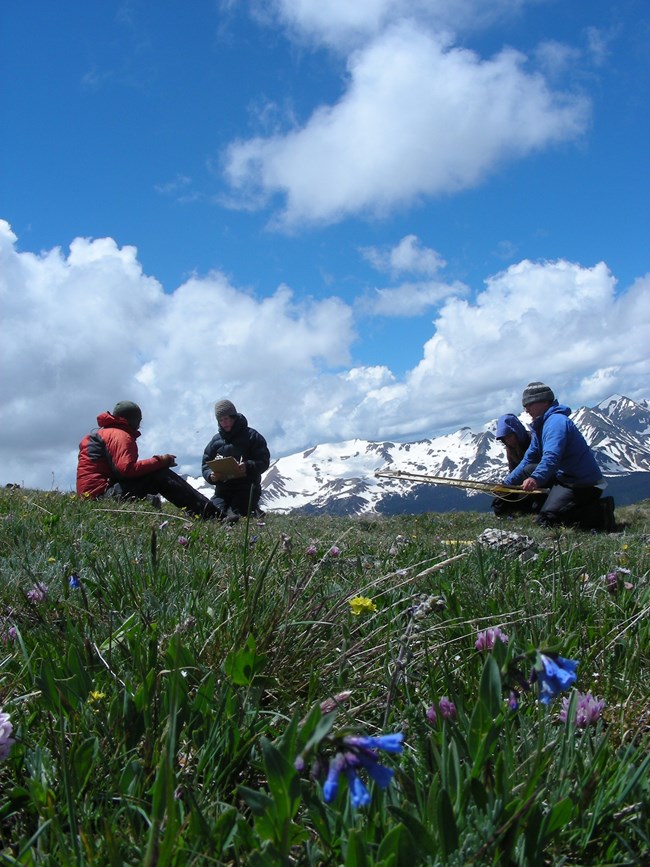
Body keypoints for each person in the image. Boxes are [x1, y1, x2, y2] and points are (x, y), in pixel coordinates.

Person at [77, 401, 219, 520]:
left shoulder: (104, 433)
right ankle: (212, 515)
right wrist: (161, 461)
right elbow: (126, 470)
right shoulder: (120, 435)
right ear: (133, 420)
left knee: (152, 476)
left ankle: (209, 513)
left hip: (91, 495)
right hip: (101, 496)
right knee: (160, 476)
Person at [502, 383, 616, 532]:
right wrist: (506, 484)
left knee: (547, 520)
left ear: (543, 401)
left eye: (529, 404)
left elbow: (551, 457)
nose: (526, 409)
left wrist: (535, 478)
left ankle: (600, 511)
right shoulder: (542, 425)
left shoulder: (556, 423)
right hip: (565, 479)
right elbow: (529, 459)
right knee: (530, 469)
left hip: (582, 484)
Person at [202, 399, 270, 520]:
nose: (225, 423)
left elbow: (263, 461)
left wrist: (247, 466)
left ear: (233, 417)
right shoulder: (215, 442)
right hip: (223, 490)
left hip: (247, 489)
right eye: (221, 420)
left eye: (227, 418)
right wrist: (210, 475)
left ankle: (253, 510)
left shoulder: (252, 436)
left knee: (233, 515)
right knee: (212, 514)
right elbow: (206, 464)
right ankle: (253, 511)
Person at [492, 413, 544, 517]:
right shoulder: (510, 449)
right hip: (520, 484)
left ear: (517, 431)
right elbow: (513, 471)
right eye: (505, 438)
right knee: (499, 505)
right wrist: (505, 489)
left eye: (510, 436)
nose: (508, 441)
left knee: (530, 506)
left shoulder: (533, 440)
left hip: (537, 481)